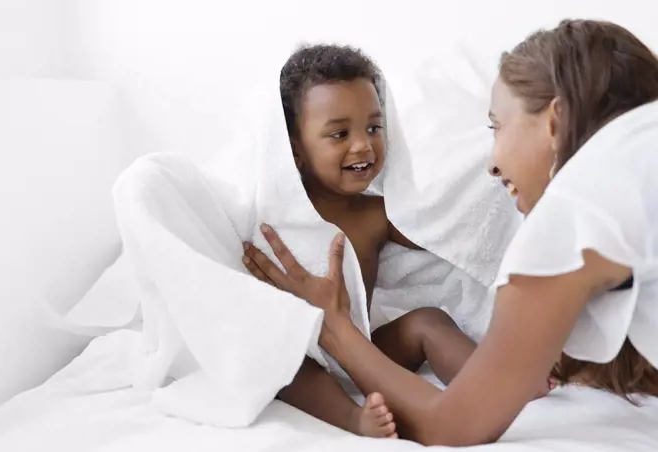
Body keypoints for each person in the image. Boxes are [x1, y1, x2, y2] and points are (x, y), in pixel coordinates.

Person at [242, 19, 658, 446]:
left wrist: (336, 326)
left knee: (427, 324)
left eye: (496, 127)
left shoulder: (579, 213)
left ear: (555, 121)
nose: (492, 165)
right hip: (307, 347)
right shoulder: (628, 173)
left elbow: (453, 426)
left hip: (353, 335)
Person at [241, 44, 481, 439]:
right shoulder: (276, 217)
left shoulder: (377, 214)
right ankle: (354, 419)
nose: (363, 145)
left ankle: (491, 381)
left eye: (373, 127)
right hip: (307, 355)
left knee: (427, 321)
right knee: (283, 367)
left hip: (366, 350)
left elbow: (440, 236)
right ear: (295, 151)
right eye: (339, 133)